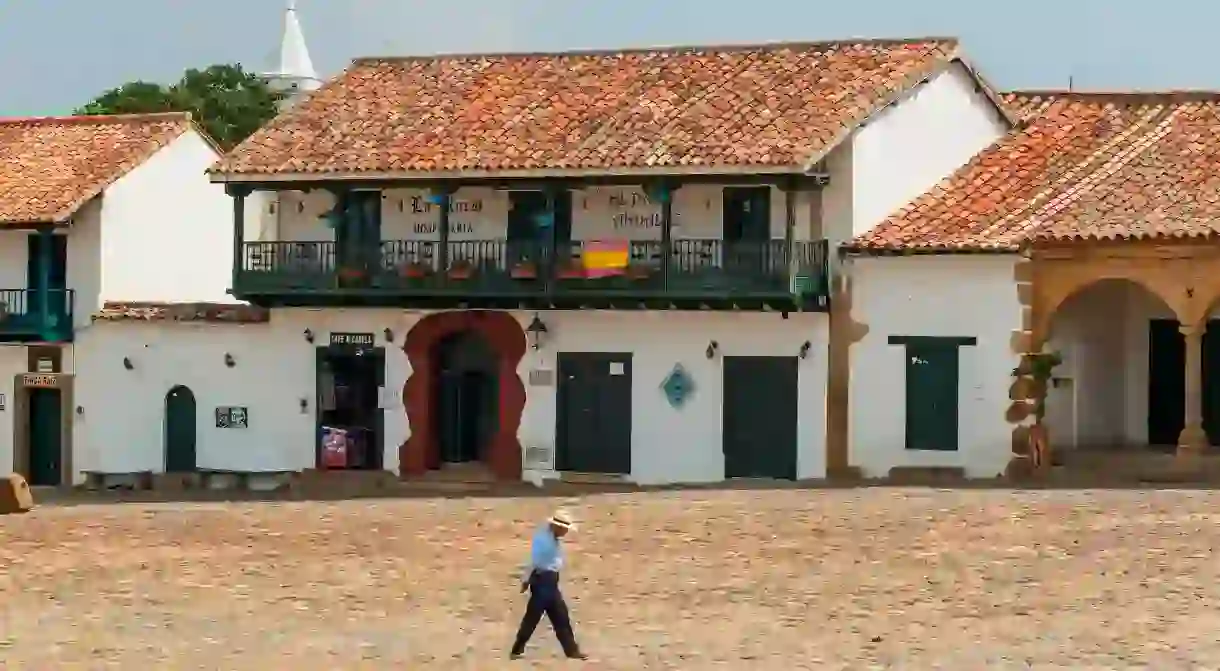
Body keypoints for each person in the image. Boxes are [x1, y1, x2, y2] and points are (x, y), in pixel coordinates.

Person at [509, 509, 587, 660]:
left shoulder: (550, 538)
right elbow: (533, 562)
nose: (565, 532)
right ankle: (517, 650)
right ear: (557, 527)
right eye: (564, 529)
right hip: (542, 581)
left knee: (560, 616)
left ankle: (571, 650)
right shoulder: (543, 541)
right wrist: (525, 579)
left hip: (550, 582)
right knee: (534, 617)